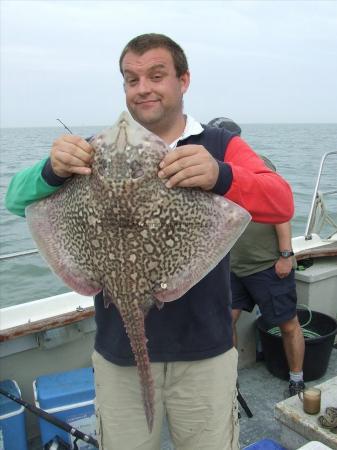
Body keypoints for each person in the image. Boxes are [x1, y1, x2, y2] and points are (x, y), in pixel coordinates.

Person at [5, 34, 294, 450]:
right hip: (117, 354)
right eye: (131, 79)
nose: (143, 88)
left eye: (156, 75)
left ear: (183, 80)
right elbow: (16, 200)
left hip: (205, 352)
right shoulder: (92, 153)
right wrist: (52, 170)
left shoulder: (218, 145)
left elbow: (281, 201)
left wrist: (221, 175)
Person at [208, 118, 305, 397]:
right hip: (233, 266)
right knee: (226, 320)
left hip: (267, 265)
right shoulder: (214, 174)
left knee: (287, 323)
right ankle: (230, 379)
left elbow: (282, 212)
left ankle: (297, 378)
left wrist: (286, 254)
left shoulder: (259, 165)